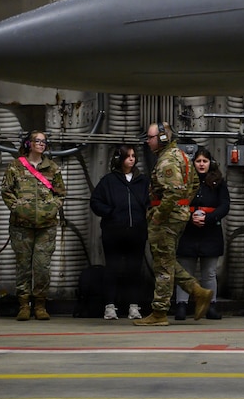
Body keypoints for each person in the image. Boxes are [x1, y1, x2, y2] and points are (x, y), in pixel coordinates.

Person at [135, 121, 213, 326]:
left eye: (150, 137)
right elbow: (195, 182)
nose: (148, 141)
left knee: (162, 265)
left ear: (162, 138)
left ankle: (159, 311)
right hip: (177, 215)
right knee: (166, 259)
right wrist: (184, 205)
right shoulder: (181, 156)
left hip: (167, 218)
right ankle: (198, 292)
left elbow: (173, 191)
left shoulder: (167, 161)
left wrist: (160, 214)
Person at [1, 130, 65, 321]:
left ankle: (40, 304)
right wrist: (18, 208)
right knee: (23, 265)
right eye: (37, 141)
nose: (41, 144)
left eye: (44, 141)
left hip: (46, 226)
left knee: (42, 266)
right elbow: (6, 192)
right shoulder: (15, 167)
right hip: (21, 225)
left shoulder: (52, 168)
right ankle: (23, 304)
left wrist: (52, 208)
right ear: (28, 144)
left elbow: (60, 193)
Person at [90, 144, 149, 321]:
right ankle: (109, 306)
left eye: (133, 156)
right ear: (119, 159)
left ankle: (134, 306)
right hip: (113, 232)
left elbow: (151, 200)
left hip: (137, 231)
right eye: (127, 156)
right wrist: (110, 212)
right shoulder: (108, 181)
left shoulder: (143, 181)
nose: (131, 159)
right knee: (112, 268)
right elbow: (95, 202)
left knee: (135, 269)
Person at [175, 147, 229, 321]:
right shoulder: (186, 181)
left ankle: (210, 306)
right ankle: (181, 305)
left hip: (210, 232)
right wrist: (190, 217)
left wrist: (209, 217)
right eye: (198, 161)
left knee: (209, 273)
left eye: (204, 161)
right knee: (185, 270)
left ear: (210, 163)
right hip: (188, 231)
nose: (201, 164)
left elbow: (224, 205)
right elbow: (178, 203)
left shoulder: (218, 182)